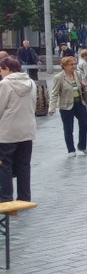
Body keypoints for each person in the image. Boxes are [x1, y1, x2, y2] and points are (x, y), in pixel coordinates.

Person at [0, 56, 37, 202]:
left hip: (7, 132)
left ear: (7, 69)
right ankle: (24, 197)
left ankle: (5, 198)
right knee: (23, 165)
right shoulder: (31, 82)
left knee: (5, 165)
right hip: (27, 130)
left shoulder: (5, 84)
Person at [48, 56, 87, 157]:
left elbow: (80, 88)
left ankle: (82, 146)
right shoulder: (59, 77)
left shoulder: (77, 74)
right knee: (68, 128)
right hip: (66, 106)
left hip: (79, 103)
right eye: (71, 64)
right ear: (64, 66)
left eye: (74, 64)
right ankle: (71, 150)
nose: (73, 66)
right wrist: (51, 108)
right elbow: (54, 93)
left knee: (84, 124)